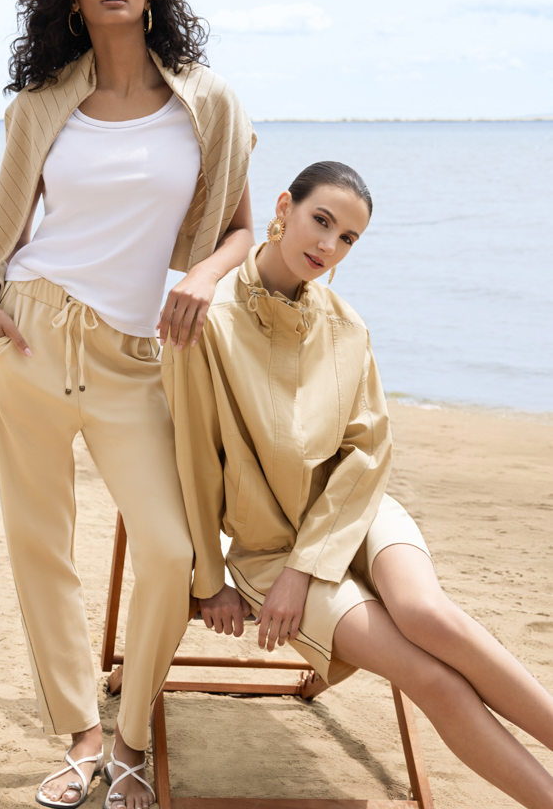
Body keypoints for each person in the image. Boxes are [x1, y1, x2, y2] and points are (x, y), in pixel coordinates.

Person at [0, 0, 256, 809]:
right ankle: (82, 738)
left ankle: (132, 734)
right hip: (33, 333)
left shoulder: (206, 102)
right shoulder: (40, 107)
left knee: (170, 551)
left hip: (134, 356)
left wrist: (203, 275)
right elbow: (6, 225)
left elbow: (242, 229)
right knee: (40, 547)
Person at [163, 160, 553, 809]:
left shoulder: (347, 325)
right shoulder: (208, 318)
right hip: (268, 547)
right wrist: (210, 579)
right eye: (321, 221)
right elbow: (192, 463)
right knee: (433, 679)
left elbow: (367, 452)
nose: (329, 246)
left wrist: (309, 567)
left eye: (347, 238)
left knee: (428, 614)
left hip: (357, 511)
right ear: (283, 207)